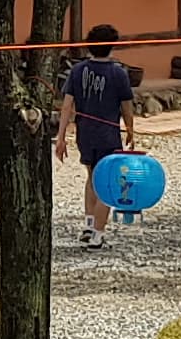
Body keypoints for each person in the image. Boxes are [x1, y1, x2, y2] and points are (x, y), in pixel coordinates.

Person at [57, 24, 145, 246]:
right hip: (108, 135)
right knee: (106, 183)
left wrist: (61, 136)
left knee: (92, 177)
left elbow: (66, 105)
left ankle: (89, 225)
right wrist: (131, 130)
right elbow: (127, 107)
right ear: (111, 46)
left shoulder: (77, 71)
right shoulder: (118, 73)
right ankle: (97, 233)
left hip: (85, 134)